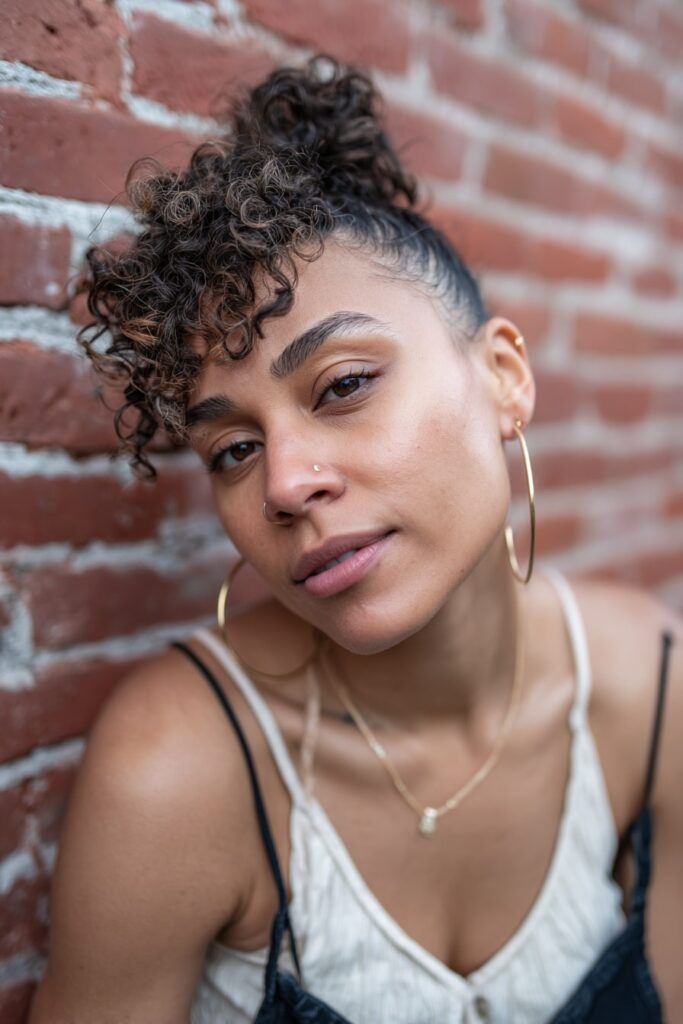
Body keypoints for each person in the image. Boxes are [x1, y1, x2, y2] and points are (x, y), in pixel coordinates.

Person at [28, 55, 681, 1024]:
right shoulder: (180, 770)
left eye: (341, 385)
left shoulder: (648, 693)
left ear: (502, 377)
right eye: (233, 448)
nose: (286, 484)